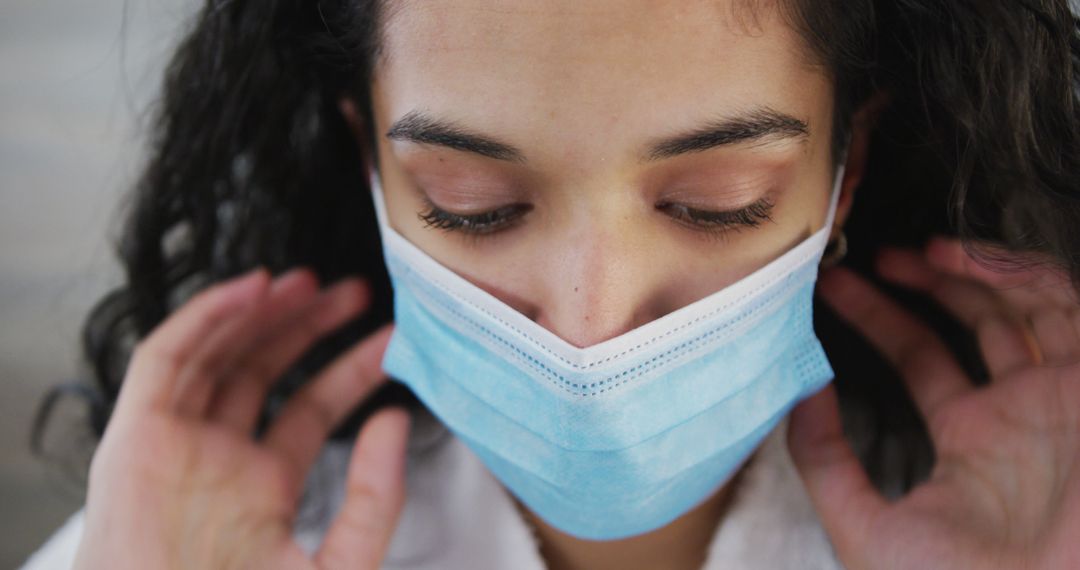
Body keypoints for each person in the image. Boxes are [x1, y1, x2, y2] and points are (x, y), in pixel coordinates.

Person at [20, 0, 1080, 568]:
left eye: (718, 202)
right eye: (472, 204)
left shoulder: (1022, 533)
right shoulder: (189, 548)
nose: (589, 328)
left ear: (841, 174)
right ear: (372, 168)